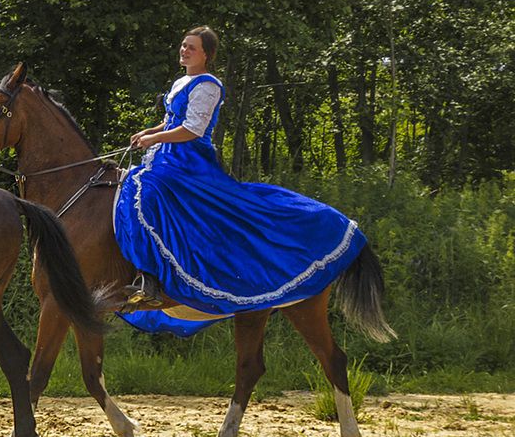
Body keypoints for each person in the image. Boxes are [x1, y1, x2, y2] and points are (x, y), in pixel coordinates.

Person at [114, 26, 367, 336]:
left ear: (206, 55)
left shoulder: (209, 85)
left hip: (189, 160)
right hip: (166, 157)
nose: (184, 50)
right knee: (131, 189)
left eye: (192, 47)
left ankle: (152, 280)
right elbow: (170, 121)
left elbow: (192, 130)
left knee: (149, 194)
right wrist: (149, 132)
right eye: (183, 45)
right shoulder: (181, 82)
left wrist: (155, 139)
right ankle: (141, 271)